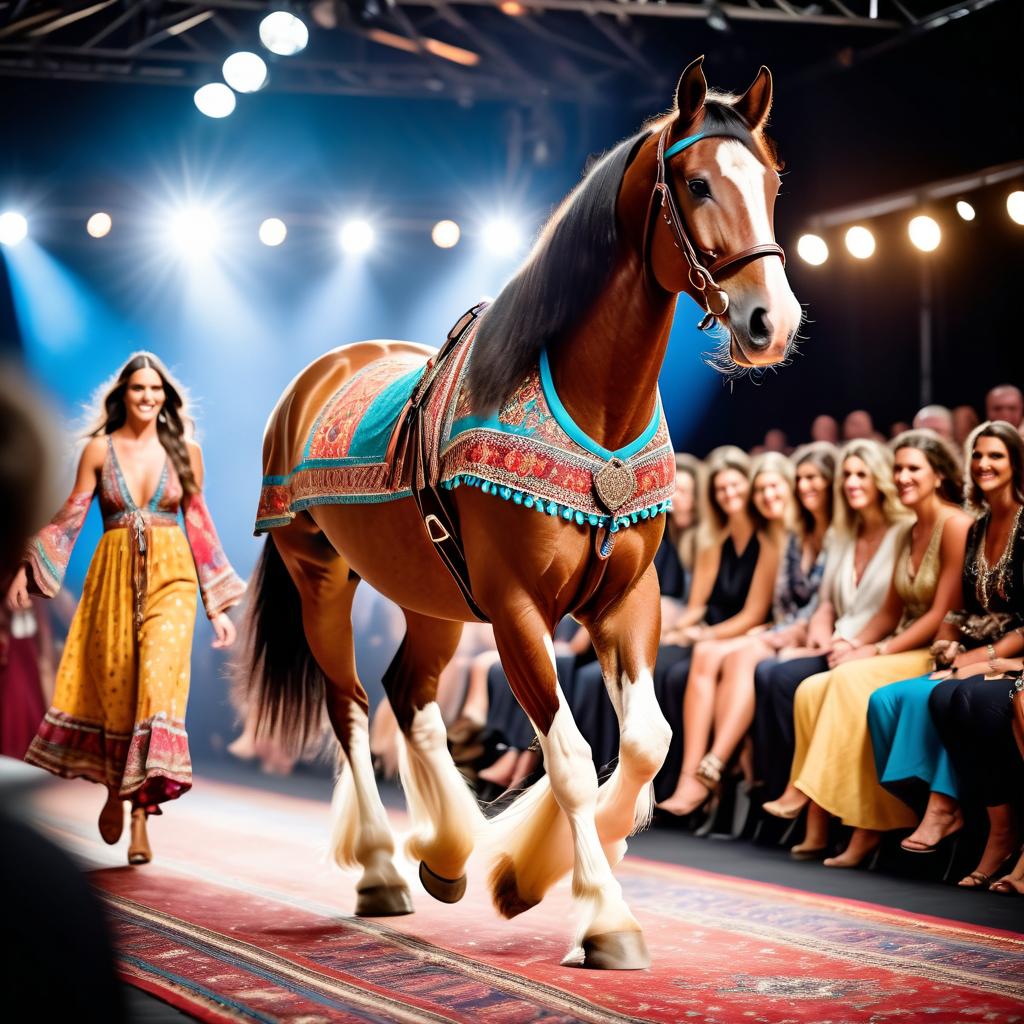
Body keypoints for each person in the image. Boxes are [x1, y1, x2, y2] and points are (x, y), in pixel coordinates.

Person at [7, 353, 245, 865]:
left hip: (173, 577)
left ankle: (140, 818)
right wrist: (26, 569)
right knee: (118, 692)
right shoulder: (99, 449)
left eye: (155, 390)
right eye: (138, 389)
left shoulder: (185, 451)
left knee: (157, 690)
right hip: (111, 578)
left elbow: (199, 524)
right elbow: (72, 514)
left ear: (166, 396)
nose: (147, 397)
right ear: (124, 395)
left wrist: (217, 606)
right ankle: (115, 790)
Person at [763, 431, 971, 868]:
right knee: (810, 689)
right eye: (899, 468)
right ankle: (840, 818)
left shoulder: (955, 524)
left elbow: (941, 614)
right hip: (900, 642)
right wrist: (857, 642)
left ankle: (838, 812)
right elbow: (891, 609)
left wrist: (875, 653)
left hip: (939, 648)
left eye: (913, 468)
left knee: (847, 680)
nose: (902, 476)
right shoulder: (912, 529)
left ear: (938, 474)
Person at [868, 421, 1024, 870]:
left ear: (1015, 463)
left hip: (1009, 650)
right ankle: (928, 810)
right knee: (903, 698)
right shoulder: (978, 526)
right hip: (978, 647)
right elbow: (957, 610)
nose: (984, 464)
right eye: (977, 455)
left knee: (950, 693)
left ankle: (959, 814)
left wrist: (981, 658)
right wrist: (948, 647)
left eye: (996, 455)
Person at [658, 448, 834, 816]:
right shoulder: (778, 535)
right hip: (773, 628)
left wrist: (703, 635)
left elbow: (763, 610)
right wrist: (685, 631)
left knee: (722, 656)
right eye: (762, 490)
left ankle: (711, 768)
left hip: (778, 631)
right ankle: (695, 772)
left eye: (775, 487)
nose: (766, 496)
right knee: (700, 657)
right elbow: (700, 607)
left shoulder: (782, 536)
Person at [752, 440, 908, 804]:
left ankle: (810, 792)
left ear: (879, 479)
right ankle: (778, 786)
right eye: (847, 475)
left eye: (861, 475)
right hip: (840, 640)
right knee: (770, 673)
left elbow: (894, 609)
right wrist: (824, 638)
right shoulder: (843, 532)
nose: (852, 482)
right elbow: (825, 604)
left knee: (786, 677)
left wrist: (851, 644)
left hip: (876, 643)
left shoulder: (902, 531)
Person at [653, 450, 783, 807]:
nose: (729, 494)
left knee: (698, 659)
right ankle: (664, 780)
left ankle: (695, 776)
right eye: (721, 488)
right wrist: (676, 631)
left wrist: (702, 635)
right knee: (659, 664)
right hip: (717, 632)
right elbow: (696, 607)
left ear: (749, 485)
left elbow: (754, 614)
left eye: (735, 485)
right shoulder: (713, 541)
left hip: (744, 632)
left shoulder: (770, 541)